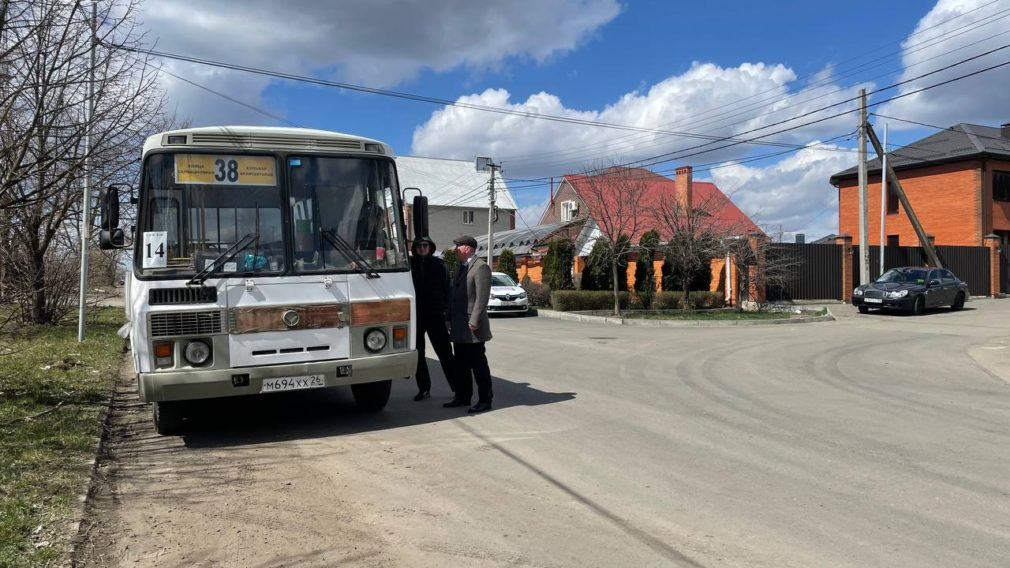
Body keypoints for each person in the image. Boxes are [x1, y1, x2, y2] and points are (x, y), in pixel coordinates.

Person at [443, 235, 493, 413]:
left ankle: (485, 400)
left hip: (473, 328)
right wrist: (448, 317)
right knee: (461, 366)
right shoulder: (460, 268)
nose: (455, 250)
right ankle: (463, 397)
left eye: (458, 246)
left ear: (468, 249)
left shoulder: (481, 268)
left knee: (479, 366)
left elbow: (482, 298)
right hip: (458, 327)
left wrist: (474, 320)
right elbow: (453, 296)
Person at [410, 236, 456, 401]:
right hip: (415, 316)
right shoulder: (409, 265)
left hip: (436, 315)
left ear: (430, 247)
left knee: (445, 353)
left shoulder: (439, 265)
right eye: (419, 246)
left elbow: (448, 290)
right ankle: (424, 389)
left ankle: (458, 389)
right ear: (415, 248)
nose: (422, 248)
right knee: (418, 354)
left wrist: (446, 313)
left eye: (425, 245)